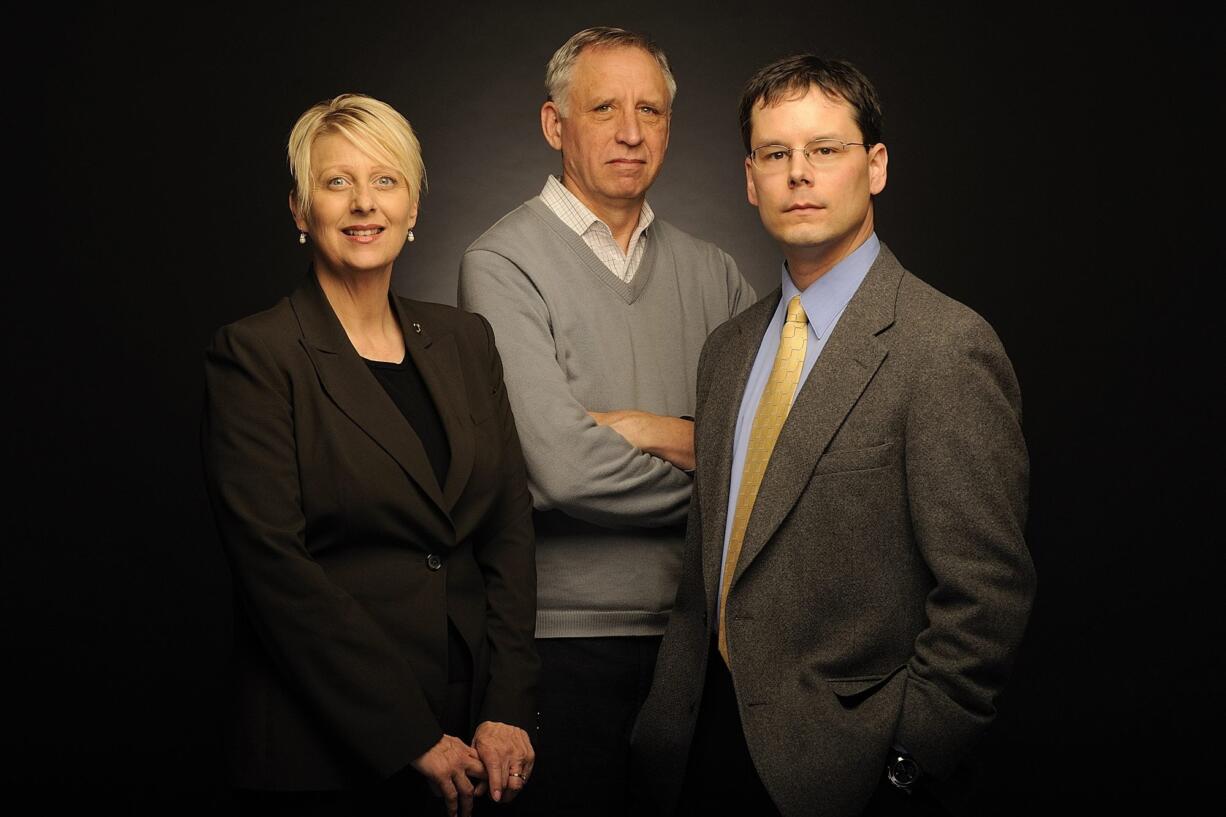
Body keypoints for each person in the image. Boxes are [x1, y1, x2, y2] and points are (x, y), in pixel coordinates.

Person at [632, 55, 1036, 817]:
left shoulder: (944, 345)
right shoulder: (727, 350)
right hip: (695, 752)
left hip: (847, 768)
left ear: (875, 166)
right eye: (775, 154)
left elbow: (987, 595)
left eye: (825, 149)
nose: (798, 175)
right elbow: (708, 569)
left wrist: (909, 761)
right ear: (750, 180)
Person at [202, 93, 537, 817]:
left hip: (473, 735)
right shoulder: (256, 354)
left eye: (386, 180)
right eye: (336, 182)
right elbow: (274, 571)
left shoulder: (466, 341)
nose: (364, 203)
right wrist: (409, 733)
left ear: (414, 206)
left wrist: (505, 707)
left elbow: (508, 535)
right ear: (299, 208)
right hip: (321, 744)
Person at [457, 27, 755, 816]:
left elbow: (769, 454)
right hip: (560, 645)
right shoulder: (502, 262)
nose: (631, 131)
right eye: (604, 108)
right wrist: (712, 459)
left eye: (649, 109)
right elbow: (559, 466)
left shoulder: (716, 271)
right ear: (556, 125)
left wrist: (644, 427)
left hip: (702, 643)